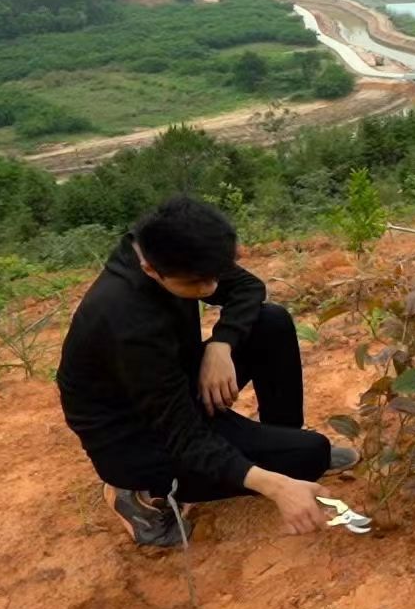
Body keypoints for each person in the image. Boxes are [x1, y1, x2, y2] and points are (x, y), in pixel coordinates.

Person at [57, 195, 356, 546]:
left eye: (214, 276)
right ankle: (137, 494)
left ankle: (283, 442)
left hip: (171, 386)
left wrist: (221, 344)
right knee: (309, 455)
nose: (210, 289)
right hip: (135, 435)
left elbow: (247, 287)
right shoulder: (129, 322)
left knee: (270, 322)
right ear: (152, 270)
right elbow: (183, 436)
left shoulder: (174, 246)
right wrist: (276, 485)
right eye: (197, 283)